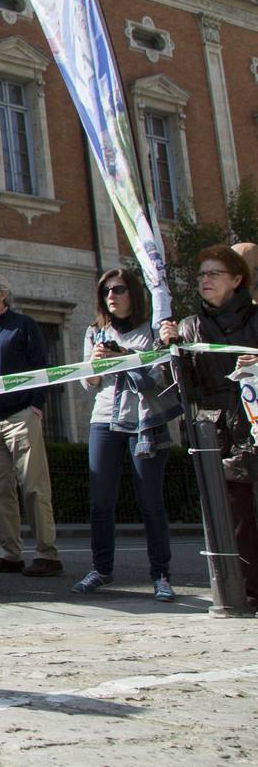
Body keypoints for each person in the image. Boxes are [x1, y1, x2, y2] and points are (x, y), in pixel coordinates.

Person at [160, 245, 258, 606]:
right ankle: (248, 590)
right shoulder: (189, 327)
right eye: (202, 275)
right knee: (234, 515)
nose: (205, 280)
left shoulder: (255, 319)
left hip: (254, 421)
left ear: (236, 279)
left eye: (214, 274)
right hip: (218, 429)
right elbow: (176, 386)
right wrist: (168, 348)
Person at [81, 268, 179, 601]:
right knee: (99, 502)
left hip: (144, 421)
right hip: (104, 418)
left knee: (150, 502)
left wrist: (125, 359)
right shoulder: (95, 331)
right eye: (106, 291)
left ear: (133, 294)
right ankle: (101, 569)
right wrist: (95, 365)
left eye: (119, 290)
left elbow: (158, 379)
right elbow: (88, 384)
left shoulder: (151, 331)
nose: (111, 296)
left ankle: (161, 575)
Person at [0, 273, 61, 577]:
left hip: (21, 414)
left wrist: (35, 406)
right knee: (0, 490)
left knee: (33, 486)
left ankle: (47, 554)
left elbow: (40, 366)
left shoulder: (23, 325)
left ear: (2, 294)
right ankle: (11, 554)